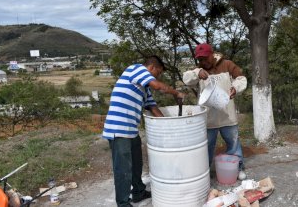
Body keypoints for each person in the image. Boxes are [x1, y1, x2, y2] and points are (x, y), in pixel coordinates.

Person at [103, 55, 185, 207]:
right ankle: (123, 203)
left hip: (131, 130)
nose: (157, 76)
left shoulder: (144, 88)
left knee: (136, 164)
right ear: (152, 67)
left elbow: (154, 109)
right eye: (158, 73)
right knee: (123, 168)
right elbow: (158, 86)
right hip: (118, 128)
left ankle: (138, 192)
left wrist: (171, 127)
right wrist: (176, 93)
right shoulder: (136, 69)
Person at [183, 43, 247, 179]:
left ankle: (238, 168)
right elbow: (186, 79)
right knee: (206, 147)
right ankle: (204, 172)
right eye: (200, 60)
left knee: (234, 144)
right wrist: (196, 73)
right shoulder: (199, 70)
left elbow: (241, 79)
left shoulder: (227, 65)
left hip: (227, 116)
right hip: (208, 119)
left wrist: (235, 87)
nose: (203, 62)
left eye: (205, 58)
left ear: (212, 55)